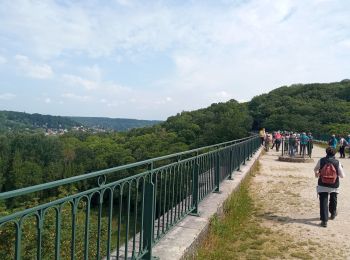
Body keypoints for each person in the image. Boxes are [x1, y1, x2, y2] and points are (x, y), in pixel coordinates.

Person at [314, 147, 345, 227]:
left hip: (322, 184)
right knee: (333, 199)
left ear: (326, 152)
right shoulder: (337, 162)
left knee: (323, 201)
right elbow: (342, 176)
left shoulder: (321, 160)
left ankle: (324, 221)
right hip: (334, 185)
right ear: (334, 153)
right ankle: (333, 213)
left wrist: (317, 174)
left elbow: (316, 169)